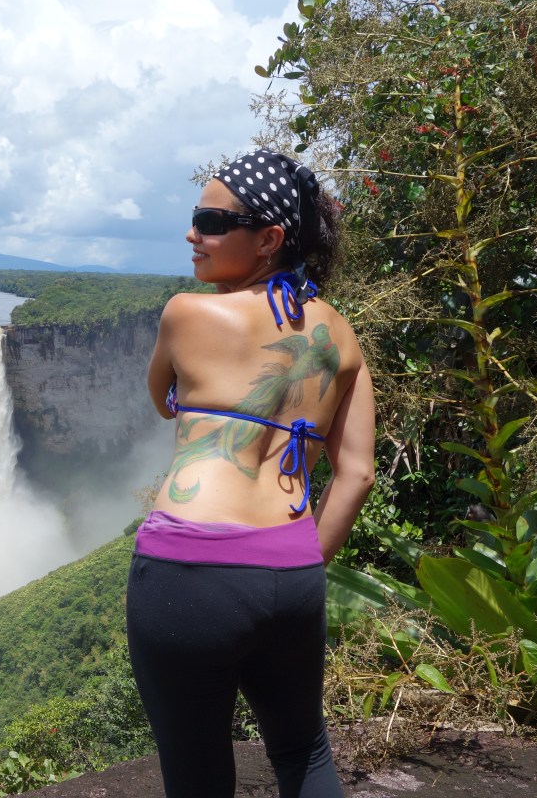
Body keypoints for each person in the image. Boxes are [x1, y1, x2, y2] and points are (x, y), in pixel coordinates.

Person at [127, 149, 376, 798]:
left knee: (197, 773)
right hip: (291, 572)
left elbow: (162, 400)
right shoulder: (342, 337)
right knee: (304, 754)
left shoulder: (187, 313)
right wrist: (303, 562)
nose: (193, 234)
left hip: (188, 572)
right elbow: (358, 474)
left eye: (212, 221)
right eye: (195, 217)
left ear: (269, 239)